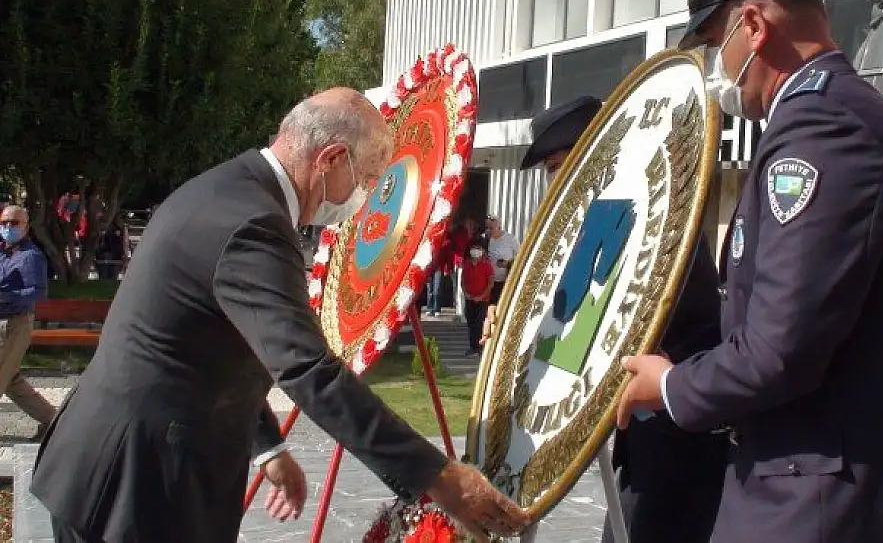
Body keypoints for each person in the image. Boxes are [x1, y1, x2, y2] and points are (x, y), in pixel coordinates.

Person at [31, 88, 529, 543]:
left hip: (115, 460)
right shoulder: (255, 224)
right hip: (137, 482)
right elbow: (307, 368)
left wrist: (266, 445)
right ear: (332, 159)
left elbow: (215, 339)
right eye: (370, 179)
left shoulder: (229, 188)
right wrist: (439, 479)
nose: (365, 199)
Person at [616, 0, 883, 543]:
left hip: (830, 509)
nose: (716, 64)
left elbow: (778, 349)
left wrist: (670, 385)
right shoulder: (840, 115)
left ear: (755, 25)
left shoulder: (823, 133)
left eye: (716, 44)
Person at [488, 96, 729, 543]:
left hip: (679, 444)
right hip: (639, 448)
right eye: (550, 171)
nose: (558, 182)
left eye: (565, 165)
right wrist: (510, 333)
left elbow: (703, 334)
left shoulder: (658, 227)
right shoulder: (574, 237)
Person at [0, 206, 56, 437]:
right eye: (4, 222)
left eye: (14, 223)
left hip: (15, 323)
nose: (7, 228)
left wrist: (6, 296)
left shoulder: (31, 255)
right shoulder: (2, 252)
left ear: (26, 226)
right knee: (11, 380)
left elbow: (38, 291)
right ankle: (53, 421)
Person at [460, 240, 494, 355]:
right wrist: (466, 293)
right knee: (470, 322)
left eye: (478, 248)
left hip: (482, 300)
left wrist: (481, 296)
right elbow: (463, 281)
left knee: (479, 323)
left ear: (482, 251)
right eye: (474, 248)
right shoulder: (467, 264)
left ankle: (479, 347)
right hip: (469, 299)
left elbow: (490, 283)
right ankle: (472, 347)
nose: (476, 251)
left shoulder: (486, 265)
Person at [483, 215, 518, 304]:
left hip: (505, 280)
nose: (488, 230)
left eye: (491, 228)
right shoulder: (485, 239)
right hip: (489, 281)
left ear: (499, 227)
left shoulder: (510, 239)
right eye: (486, 227)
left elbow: (519, 257)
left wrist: (507, 263)